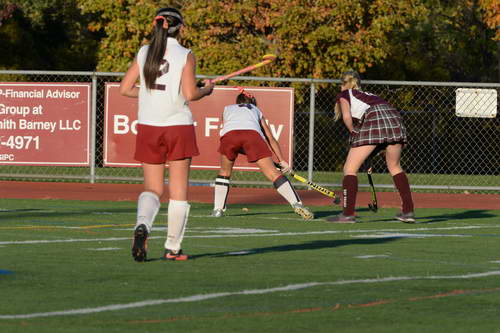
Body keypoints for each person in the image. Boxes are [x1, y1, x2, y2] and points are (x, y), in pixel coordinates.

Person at [119, 7, 214, 261]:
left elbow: (125, 89)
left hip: (149, 126)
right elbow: (191, 94)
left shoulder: (144, 51)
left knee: (152, 188)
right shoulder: (185, 54)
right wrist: (207, 89)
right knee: (179, 191)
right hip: (177, 126)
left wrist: (152, 94)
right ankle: (173, 248)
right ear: (180, 28)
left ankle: (143, 226)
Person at [211, 87, 314, 220]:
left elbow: (232, 133)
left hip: (229, 137)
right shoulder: (256, 110)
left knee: (224, 173)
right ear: (252, 102)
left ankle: (217, 210)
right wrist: (281, 160)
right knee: (274, 174)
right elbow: (270, 138)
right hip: (252, 136)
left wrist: (243, 149)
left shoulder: (227, 109)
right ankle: (297, 204)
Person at [327, 70, 415, 223]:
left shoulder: (344, 94)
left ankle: (348, 214)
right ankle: (408, 211)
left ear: (342, 84)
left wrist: (353, 132)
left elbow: (347, 117)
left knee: (349, 169)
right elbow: (379, 136)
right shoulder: (368, 95)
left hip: (374, 117)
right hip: (394, 118)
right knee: (394, 166)